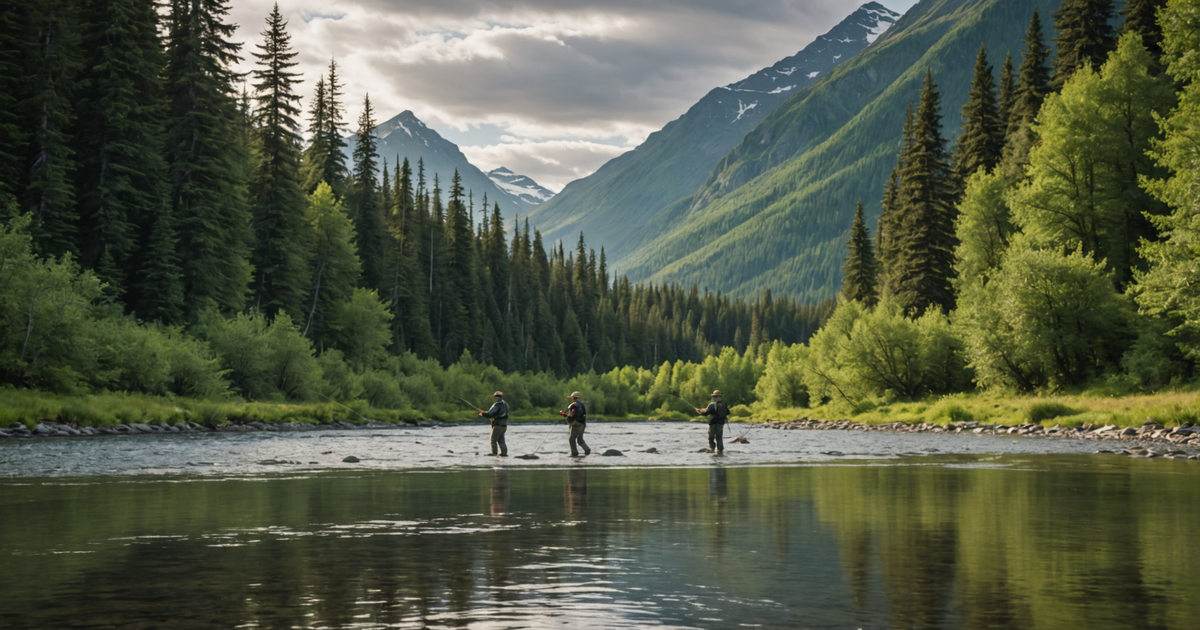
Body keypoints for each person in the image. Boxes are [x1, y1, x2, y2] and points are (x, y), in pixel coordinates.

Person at [559, 391, 591, 456]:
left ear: (573, 398)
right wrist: (566, 415)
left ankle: (574, 452)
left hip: (576, 424)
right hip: (583, 424)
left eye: (572, 397)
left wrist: (563, 414)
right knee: (580, 440)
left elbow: (571, 416)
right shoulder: (581, 405)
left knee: (571, 439)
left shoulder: (572, 406)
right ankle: (587, 450)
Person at [479, 391, 509, 456]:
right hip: (504, 425)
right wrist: (486, 413)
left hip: (498, 425)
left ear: (495, 396)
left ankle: (494, 453)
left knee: (493, 440)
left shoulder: (498, 404)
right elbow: (495, 413)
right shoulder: (505, 404)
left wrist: (483, 414)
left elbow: (490, 413)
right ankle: (504, 453)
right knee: (501, 440)